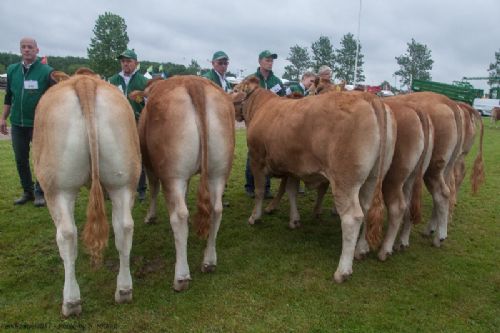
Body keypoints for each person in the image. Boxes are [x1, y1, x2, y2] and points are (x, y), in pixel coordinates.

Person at [1, 37, 54, 207]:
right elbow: (9, 97)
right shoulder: (12, 70)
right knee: (20, 158)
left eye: (30, 47)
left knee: (40, 159)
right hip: (17, 123)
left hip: (39, 124)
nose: (26, 50)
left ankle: (40, 192)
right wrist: (3, 118)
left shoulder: (47, 71)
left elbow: (54, 99)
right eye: (23, 47)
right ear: (20, 50)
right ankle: (27, 191)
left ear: (37, 50)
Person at [108, 49, 149, 201]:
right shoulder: (112, 81)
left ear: (136, 63)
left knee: (138, 155)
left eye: (129, 61)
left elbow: (148, 104)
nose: (125, 63)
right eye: (123, 61)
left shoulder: (143, 82)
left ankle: (141, 188)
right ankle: (116, 185)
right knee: (115, 154)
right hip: (115, 123)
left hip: (137, 122)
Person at [244, 50, 285, 199]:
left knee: (268, 155)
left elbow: (283, 99)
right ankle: (250, 186)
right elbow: (244, 98)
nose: (270, 62)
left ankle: (265, 187)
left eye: (271, 60)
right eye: (267, 60)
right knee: (253, 154)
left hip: (271, 124)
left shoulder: (276, 81)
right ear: (260, 61)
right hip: (255, 121)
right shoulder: (251, 80)